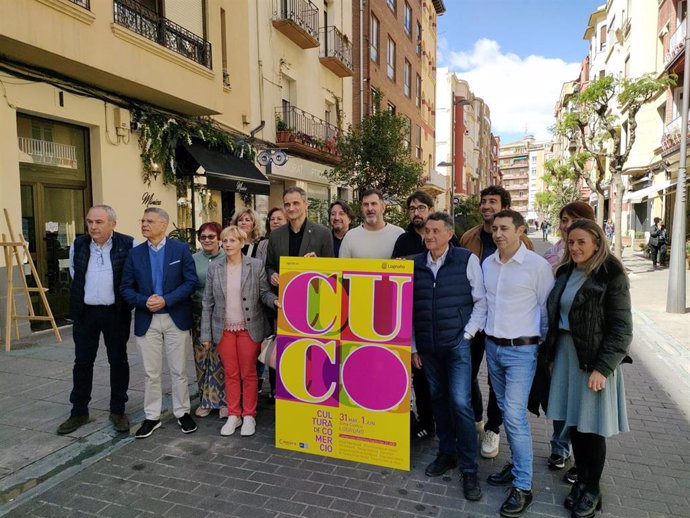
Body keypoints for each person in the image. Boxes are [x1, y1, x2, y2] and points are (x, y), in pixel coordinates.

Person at [543, 219, 632, 516]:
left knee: (592, 429)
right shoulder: (567, 272)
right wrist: (552, 356)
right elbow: (557, 317)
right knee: (575, 426)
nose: (576, 247)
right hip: (568, 356)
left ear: (597, 241)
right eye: (571, 242)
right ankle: (581, 481)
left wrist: (602, 368)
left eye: (582, 241)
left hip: (593, 361)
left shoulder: (611, 275)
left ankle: (593, 490)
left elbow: (621, 329)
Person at [482, 209, 554, 517]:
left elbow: (546, 311)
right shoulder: (487, 263)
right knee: (508, 414)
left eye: (505, 228)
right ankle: (517, 468)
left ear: (521, 230)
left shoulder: (537, 266)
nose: (498, 233)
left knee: (513, 416)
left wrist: (542, 349)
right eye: (495, 228)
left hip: (522, 352)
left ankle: (523, 486)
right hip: (493, 349)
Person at [411, 212, 486, 501]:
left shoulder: (466, 260)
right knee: (438, 400)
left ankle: (469, 469)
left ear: (449, 233)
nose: (429, 235)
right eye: (426, 231)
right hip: (427, 349)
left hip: (456, 346)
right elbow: (411, 310)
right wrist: (415, 347)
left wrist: (466, 335)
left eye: (435, 231)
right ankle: (447, 453)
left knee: (460, 403)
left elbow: (481, 302)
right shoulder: (416, 265)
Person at [460, 186, 534, 459]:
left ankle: (493, 427)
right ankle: (477, 417)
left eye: (492, 201)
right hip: (474, 319)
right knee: (466, 373)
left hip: (505, 326)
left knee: (496, 381)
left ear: (505, 206)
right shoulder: (469, 237)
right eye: (483, 201)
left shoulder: (523, 244)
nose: (486, 206)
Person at [121, 207, 199, 439]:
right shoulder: (135, 254)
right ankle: (152, 416)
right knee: (150, 372)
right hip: (147, 319)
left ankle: (182, 412)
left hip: (176, 317)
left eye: (149, 221)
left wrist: (166, 299)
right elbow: (125, 288)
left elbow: (190, 282)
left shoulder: (181, 249)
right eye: (142, 220)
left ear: (164, 225)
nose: (144, 224)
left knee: (179, 370)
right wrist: (145, 301)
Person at [57, 205, 134, 435]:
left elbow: (132, 276)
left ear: (112, 224)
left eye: (99, 222)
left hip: (115, 312)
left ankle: (118, 410)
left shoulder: (129, 244)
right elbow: (75, 274)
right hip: (86, 313)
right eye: (90, 221)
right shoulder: (78, 245)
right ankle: (79, 411)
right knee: (82, 362)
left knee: (118, 361)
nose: (93, 227)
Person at [392, 191, 459, 441]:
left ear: (431, 210)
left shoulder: (451, 237)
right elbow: (396, 272)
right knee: (419, 374)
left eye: (421, 207)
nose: (416, 212)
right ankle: (427, 423)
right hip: (415, 316)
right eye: (412, 208)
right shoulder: (403, 240)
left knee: (449, 380)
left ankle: (456, 424)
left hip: (444, 319)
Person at [201, 226, 279, 436]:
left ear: (242, 243)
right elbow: (207, 302)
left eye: (232, 241)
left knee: (249, 373)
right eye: (224, 241)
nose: (227, 245)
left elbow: (264, 293)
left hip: (249, 328)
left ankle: (249, 416)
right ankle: (234, 415)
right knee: (231, 373)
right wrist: (206, 334)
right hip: (224, 329)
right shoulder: (214, 268)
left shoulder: (255, 265)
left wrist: (276, 301)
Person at [541, 201, 595, 484]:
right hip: (556, 339)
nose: (566, 225)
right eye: (563, 219)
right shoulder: (552, 255)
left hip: (585, 344)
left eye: (573, 220)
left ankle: (583, 459)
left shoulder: (594, 259)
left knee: (582, 404)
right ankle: (560, 448)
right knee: (559, 398)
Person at [265, 187, 334, 289]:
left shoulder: (323, 234)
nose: (291, 208)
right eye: (287, 204)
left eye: (296, 203)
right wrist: (272, 275)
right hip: (283, 296)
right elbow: (269, 266)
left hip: (312, 296)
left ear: (306, 205)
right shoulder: (275, 235)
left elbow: (331, 270)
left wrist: (318, 264)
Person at [191, 222, 226, 418]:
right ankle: (205, 401)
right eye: (202, 237)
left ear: (219, 238)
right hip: (198, 316)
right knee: (202, 359)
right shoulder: (193, 259)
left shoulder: (227, 257)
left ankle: (223, 401)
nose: (207, 240)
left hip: (222, 317)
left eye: (211, 236)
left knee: (221, 359)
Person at [338, 188, 404, 258]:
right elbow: (341, 267)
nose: (369, 208)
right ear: (362, 209)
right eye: (365, 204)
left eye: (374, 204)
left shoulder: (399, 234)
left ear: (383, 207)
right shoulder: (350, 237)